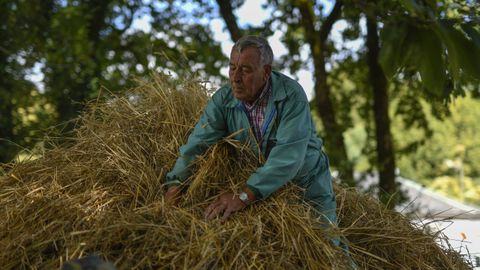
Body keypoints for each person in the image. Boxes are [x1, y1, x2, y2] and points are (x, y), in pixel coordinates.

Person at [164, 35, 337, 227]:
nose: (236, 78)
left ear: (266, 72)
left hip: (305, 185)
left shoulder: (291, 96)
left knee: (328, 247)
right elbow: (198, 144)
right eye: (232, 68)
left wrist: (244, 195)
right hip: (264, 186)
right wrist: (176, 184)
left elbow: (288, 156)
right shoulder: (223, 100)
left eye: (245, 70)